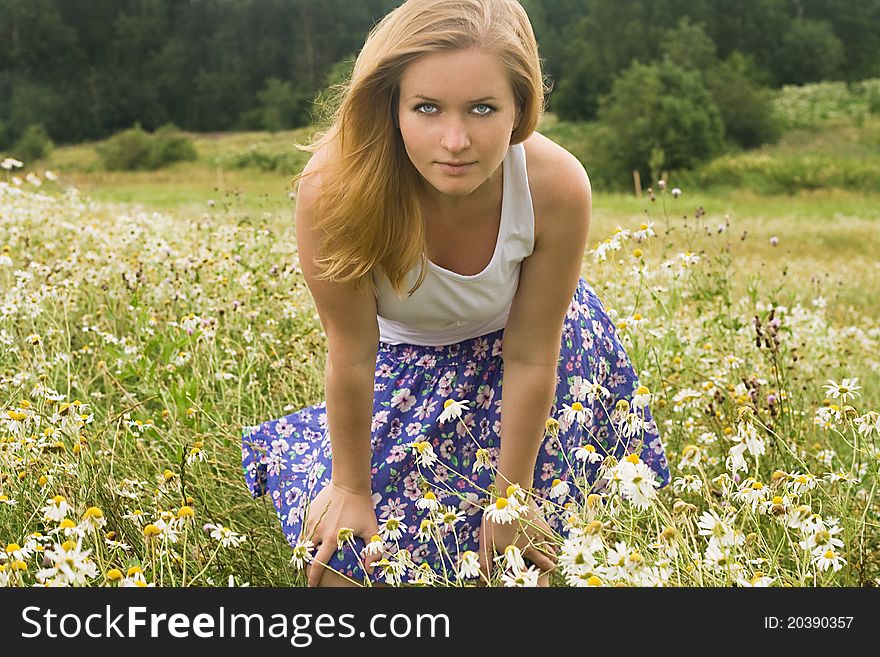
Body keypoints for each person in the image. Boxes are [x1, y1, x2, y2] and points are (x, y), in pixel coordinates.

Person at [242, 0, 670, 587]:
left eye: (483, 109)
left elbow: (532, 353)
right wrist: (349, 486)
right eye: (426, 108)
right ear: (390, 107)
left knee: (526, 570)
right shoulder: (333, 188)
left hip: (537, 357)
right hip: (406, 362)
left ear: (521, 109)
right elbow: (351, 353)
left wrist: (510, 500)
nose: (455, 140)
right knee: (350, 569)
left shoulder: (556, 186)